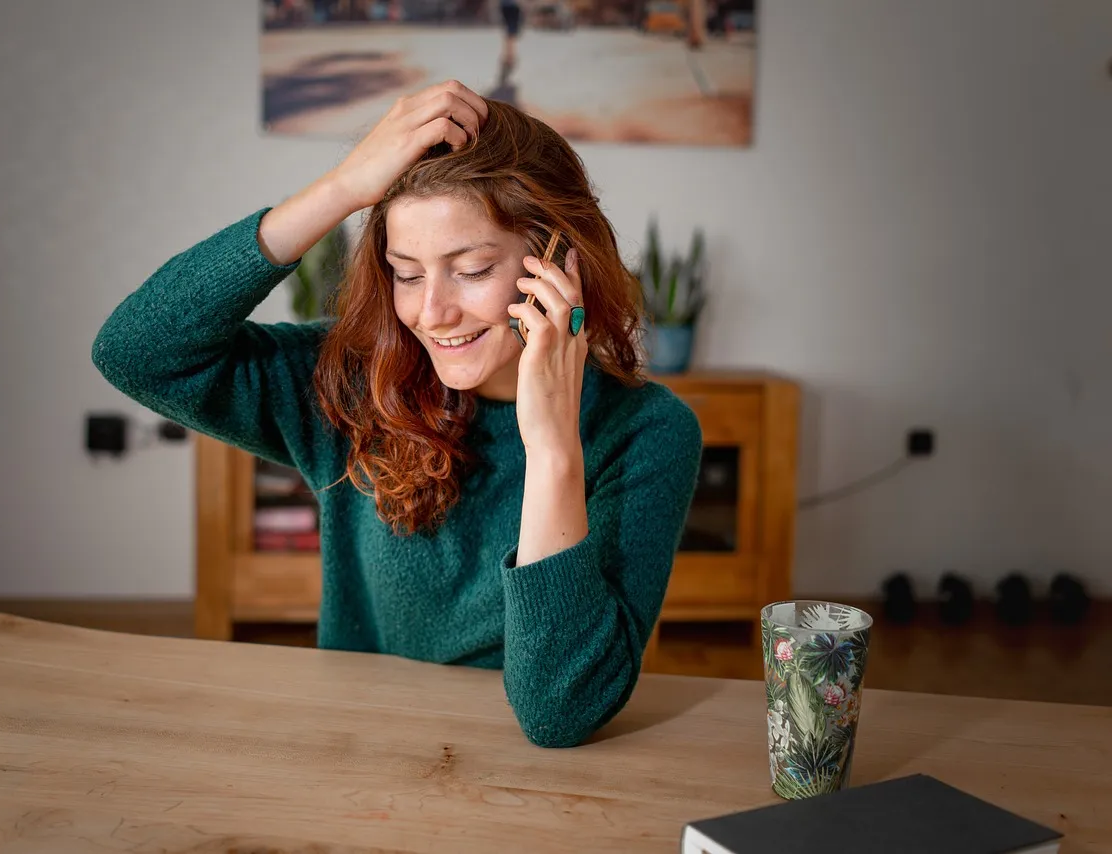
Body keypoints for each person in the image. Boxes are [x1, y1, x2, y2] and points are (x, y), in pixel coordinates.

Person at [92, 80, 703, 748]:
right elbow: (135, 352)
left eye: (471, 269)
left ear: (559, 264)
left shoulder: (649, 433)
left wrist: (553, 448)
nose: (432, 313)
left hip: (530, 776)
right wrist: (342, 188)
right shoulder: (355, 383)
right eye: (407, 274)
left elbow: (560, 712)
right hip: (360, 749)